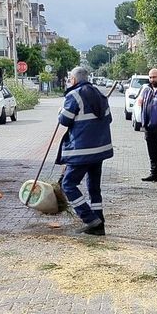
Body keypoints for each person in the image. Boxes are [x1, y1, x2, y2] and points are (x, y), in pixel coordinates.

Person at [57, 67, 113, 235]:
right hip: (100, 150)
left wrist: (60, 112)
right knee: (94, 188)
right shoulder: (100, 95)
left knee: (68, 184)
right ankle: (99, 225)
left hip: (81, 151)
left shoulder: (73, 95)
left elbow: (64, 120)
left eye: (69, 79)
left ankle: (89, 219)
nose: (69, 82)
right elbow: (108, 119)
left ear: (74, 80)